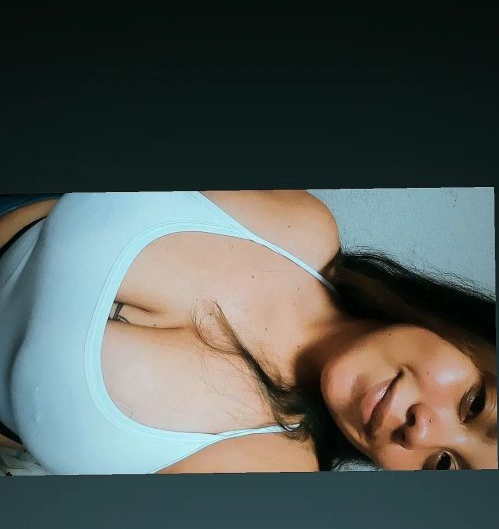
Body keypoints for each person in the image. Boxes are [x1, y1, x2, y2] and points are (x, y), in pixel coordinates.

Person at [0, 191, 496, 475]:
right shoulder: (303, 227)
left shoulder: (274, 469)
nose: (423, 431)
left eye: (443, 466)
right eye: (475, 404)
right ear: (470, 336)